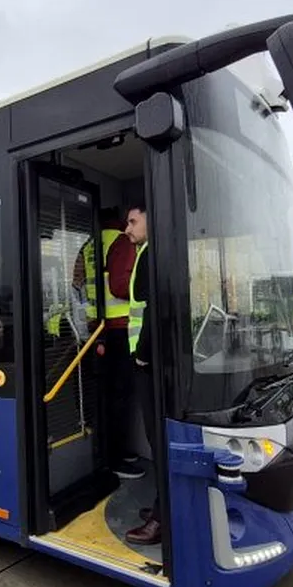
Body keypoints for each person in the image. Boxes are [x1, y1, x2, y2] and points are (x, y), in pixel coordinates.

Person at [82, 207, 142, 480]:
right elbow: (120, 287)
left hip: (96, 329)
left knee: (106, 396)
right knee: (121, 396)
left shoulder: (88, 245)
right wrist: (144, 282)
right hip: (119, 330)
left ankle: (111, 451)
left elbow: (77, 283)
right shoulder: (121, 242)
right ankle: (117, 456)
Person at [122, 201, 161, 546]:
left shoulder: (151, 255)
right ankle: (161, 508)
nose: (127, 228)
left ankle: (162, 519)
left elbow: (150, 311)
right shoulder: (147, 251)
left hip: (148, 363)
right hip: (146, 360)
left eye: (133, 221)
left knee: (158, 439)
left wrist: (143, 357)